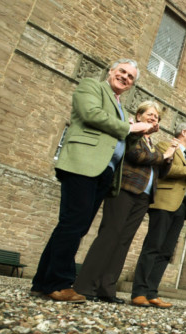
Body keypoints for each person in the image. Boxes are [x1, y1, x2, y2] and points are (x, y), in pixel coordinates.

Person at [31, 59, 155, 303]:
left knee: (75, 225)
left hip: (104, 171)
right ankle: (59, 283)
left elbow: (121, 139)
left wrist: (140, 131)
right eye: (122, 72)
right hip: (83, 163)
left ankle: (42, 282)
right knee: (73, 223)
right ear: (111, 71)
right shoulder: (92, 87)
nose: (125, 78)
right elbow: (91, 115)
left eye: (131, 77)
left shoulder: (120, 106)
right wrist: (130, 128)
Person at [73, 101, 179, 303]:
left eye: (156, 117)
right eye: (149, 114)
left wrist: (167, 159)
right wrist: (161, 155)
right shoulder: (133, 135)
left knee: (124, 241)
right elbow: (136, 155)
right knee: (109, 235)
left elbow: (161, 171)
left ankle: (107, 288)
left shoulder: (151, 144)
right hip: (125, 190)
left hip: (144, 196)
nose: (153, 118)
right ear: (138, 116)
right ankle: (85, 285)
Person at [130, 123, 186, 308]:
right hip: (164, 203)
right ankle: (138, 292)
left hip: (182, 207)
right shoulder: (165, 146)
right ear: (183, 133)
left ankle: (152, 292)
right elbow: (168, 170)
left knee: (166, 251)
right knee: (153, 247)